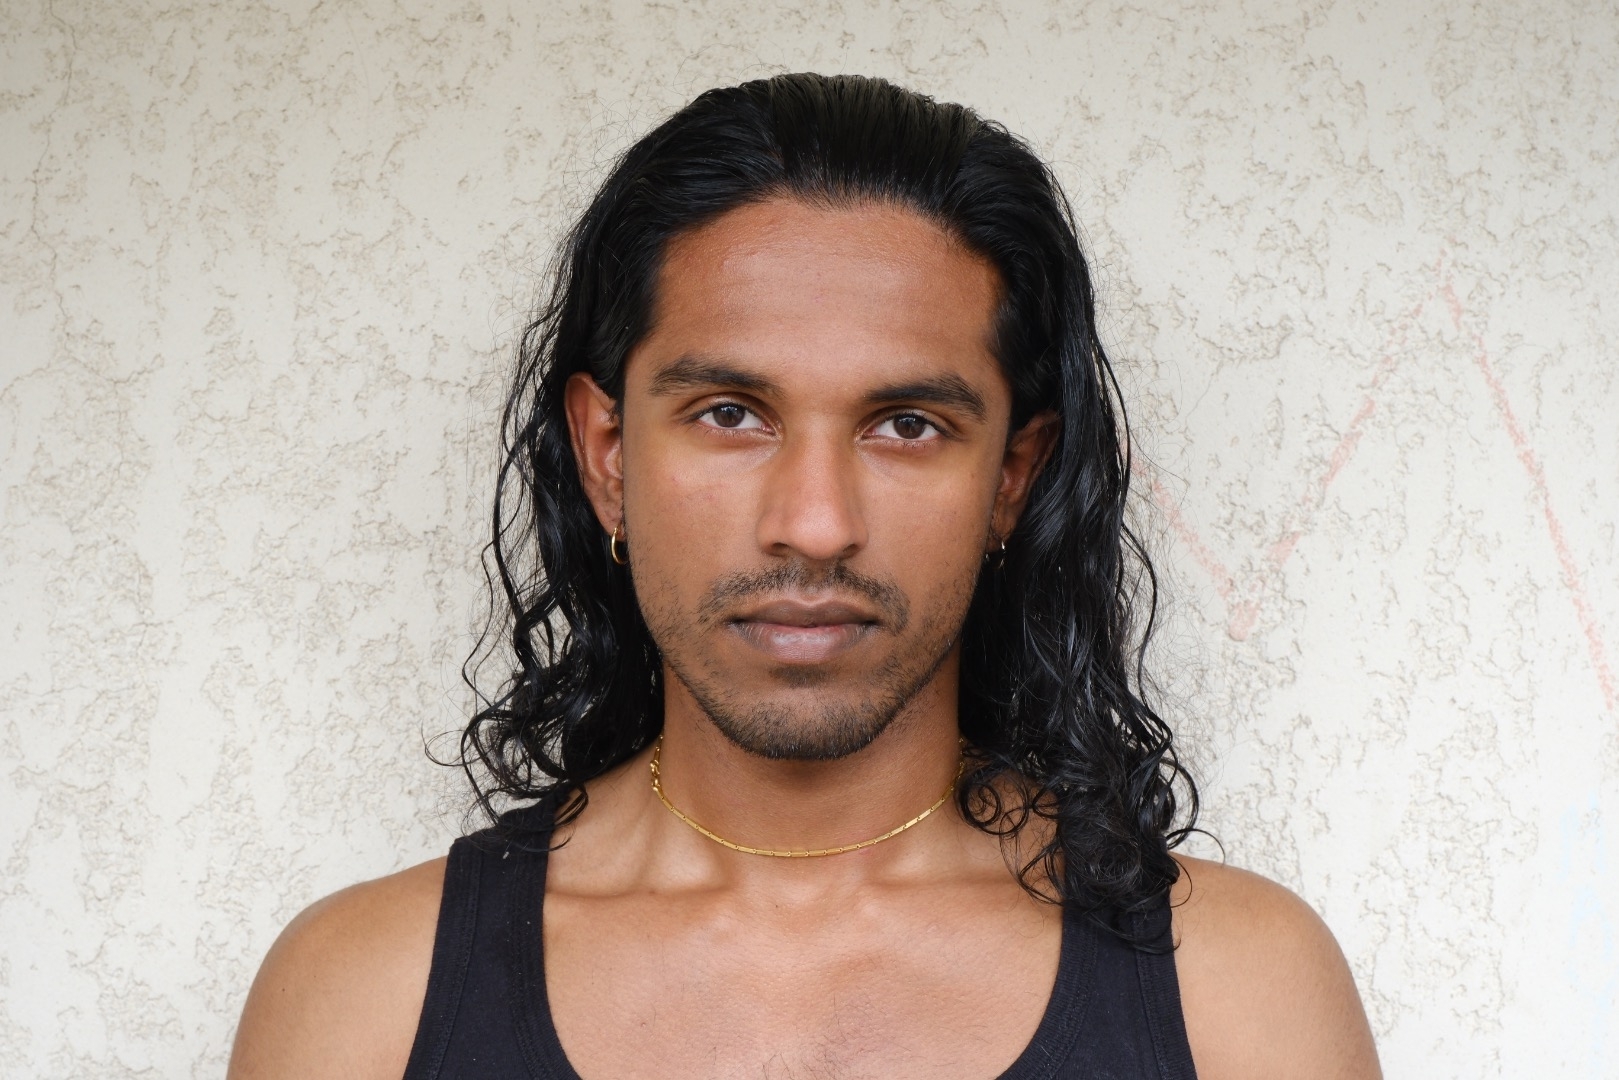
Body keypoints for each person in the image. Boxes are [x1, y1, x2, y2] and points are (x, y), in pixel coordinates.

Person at [228, 73, 1381, 1080]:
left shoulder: (1239, 992)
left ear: (1011, 478)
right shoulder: (362, 996)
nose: (815, 525)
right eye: (729, 414)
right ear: (608, 456)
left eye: (906, 425)